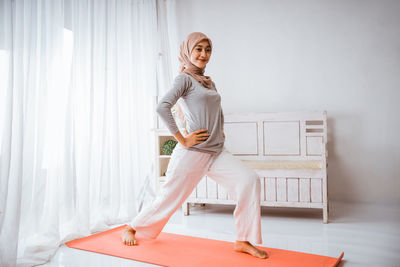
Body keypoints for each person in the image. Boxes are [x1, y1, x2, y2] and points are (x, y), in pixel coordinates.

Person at [121, 32, 268, 259]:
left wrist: (219, 130)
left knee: (249, 180)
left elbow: (215, 110)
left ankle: (243, 240)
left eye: (207, 50)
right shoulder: (184, 79)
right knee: (169, 197)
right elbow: (162, 107)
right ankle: (132, 226)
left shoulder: (209, 81)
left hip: (217, 151)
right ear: (188, 52)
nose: (203, 54)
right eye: (198, 49)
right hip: (192, 152)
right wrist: (182, 138)